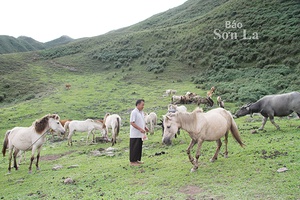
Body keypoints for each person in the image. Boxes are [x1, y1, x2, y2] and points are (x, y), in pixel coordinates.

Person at [129, 99, 149, 166]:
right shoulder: (134, 112)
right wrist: (140, 129)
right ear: (138, 105)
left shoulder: (141, 112)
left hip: (140, 134)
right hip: (135, 134)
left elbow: (142, 121)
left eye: (143, 105)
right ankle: (132, 161)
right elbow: (132, 122)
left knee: (139, 147)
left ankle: (137, 160)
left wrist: (145, 127)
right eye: (142, 105)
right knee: (134, 147)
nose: (143, 106)